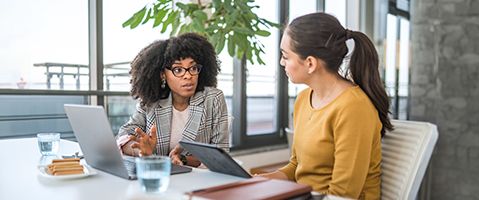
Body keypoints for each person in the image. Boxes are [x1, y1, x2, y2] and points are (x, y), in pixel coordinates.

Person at [260, 13, 393, 199]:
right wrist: (257, 181)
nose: (282, 62)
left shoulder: (354, 107)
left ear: (310, 63)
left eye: (285, 56)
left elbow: (343, 194)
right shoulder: (303, 99)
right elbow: (297, 166)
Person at [116, 33, 229, 167]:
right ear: (163, 74)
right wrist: (139, 150)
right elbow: (123, 136)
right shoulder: (152, 102)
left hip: (199, 180)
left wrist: (182, 159)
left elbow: (222, 155)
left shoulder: (213, 99)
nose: (188, 76)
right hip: (159, 177)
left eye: (193, 68)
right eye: (178, 70)